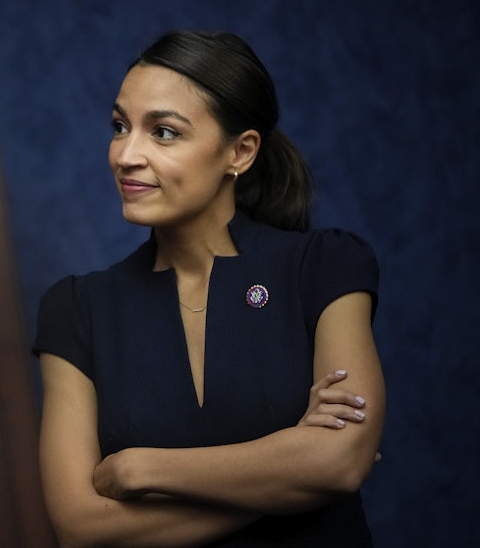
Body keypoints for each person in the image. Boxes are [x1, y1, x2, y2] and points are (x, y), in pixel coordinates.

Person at [34, 30, 385, 547]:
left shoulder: (323, 265)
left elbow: (341, 461)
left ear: (239, 152)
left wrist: (141, 468)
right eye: (119, 126)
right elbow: (81, 529)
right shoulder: (76, 309)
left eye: (165, 132)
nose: (126, 154)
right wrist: (293, 471)